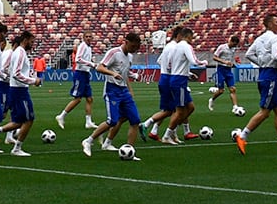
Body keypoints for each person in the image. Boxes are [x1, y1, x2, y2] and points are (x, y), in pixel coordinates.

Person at [234, 11, 277, 156]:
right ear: (270, 24)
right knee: (264, 112)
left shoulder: (259, 39)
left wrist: (262, 64)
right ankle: (242, 136)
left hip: (263, 75)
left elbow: (249, 54)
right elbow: (276, 56)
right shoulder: (276, 38)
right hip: (270, 76)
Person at [83, 32, 144, 161]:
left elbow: (124, 73)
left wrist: (131, 87)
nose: (135, 49)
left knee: (135, 120)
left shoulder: (130, 57)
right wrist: (112, 73)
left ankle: (130, 150)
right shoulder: (114, 53)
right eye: (133, 46)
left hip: (124, 91)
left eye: (136, 47)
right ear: (126, 42)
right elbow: (100, 67)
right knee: (112, 121)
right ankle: (88, 141)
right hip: (112, 90)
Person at [143, 24, 199, 144]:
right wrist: (178, 72)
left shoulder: (170, 46)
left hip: (169, 77)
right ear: (179, 35)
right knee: (175, 109)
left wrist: (185, 73)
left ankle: (158, 131)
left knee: (178, 108)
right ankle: (157, 129)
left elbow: (160, 61)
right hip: (172, 79)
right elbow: (171, 64)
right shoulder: (175, 47)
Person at [0, 30, 39, 156]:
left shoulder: (18, 52)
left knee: (18, 121)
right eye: (31, 42)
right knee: (29, 119)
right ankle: (17, 148)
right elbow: (16, 74)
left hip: (16, 89)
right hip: (20, 91)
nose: (32, 45)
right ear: (25, 40)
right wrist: (33, 81)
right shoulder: (20, 53)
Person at [57, 35, 96, 130]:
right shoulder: (83, 46)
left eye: (90, 37)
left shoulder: (89, 47)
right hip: (80, 74)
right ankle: (61, 116)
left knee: (89, 99)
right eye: (86, 36)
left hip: (85, 73)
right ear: (84, 38)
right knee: (77, 99)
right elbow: (78, 59)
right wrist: (91, 64)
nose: (88, 38)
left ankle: (88, 122)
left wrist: (91, 64)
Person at [208, 31, 242, 113]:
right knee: (221, 90)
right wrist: (224, 62)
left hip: (228, 70)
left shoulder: (233, 49)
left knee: (233, 89)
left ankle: (235, 107)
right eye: (234, 44)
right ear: (231, 41)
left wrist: (235, 61)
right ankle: (212, 99)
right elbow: (214, 57)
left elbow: (231, 57)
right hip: (221, 69)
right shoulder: (222, 47)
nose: (235, 46)